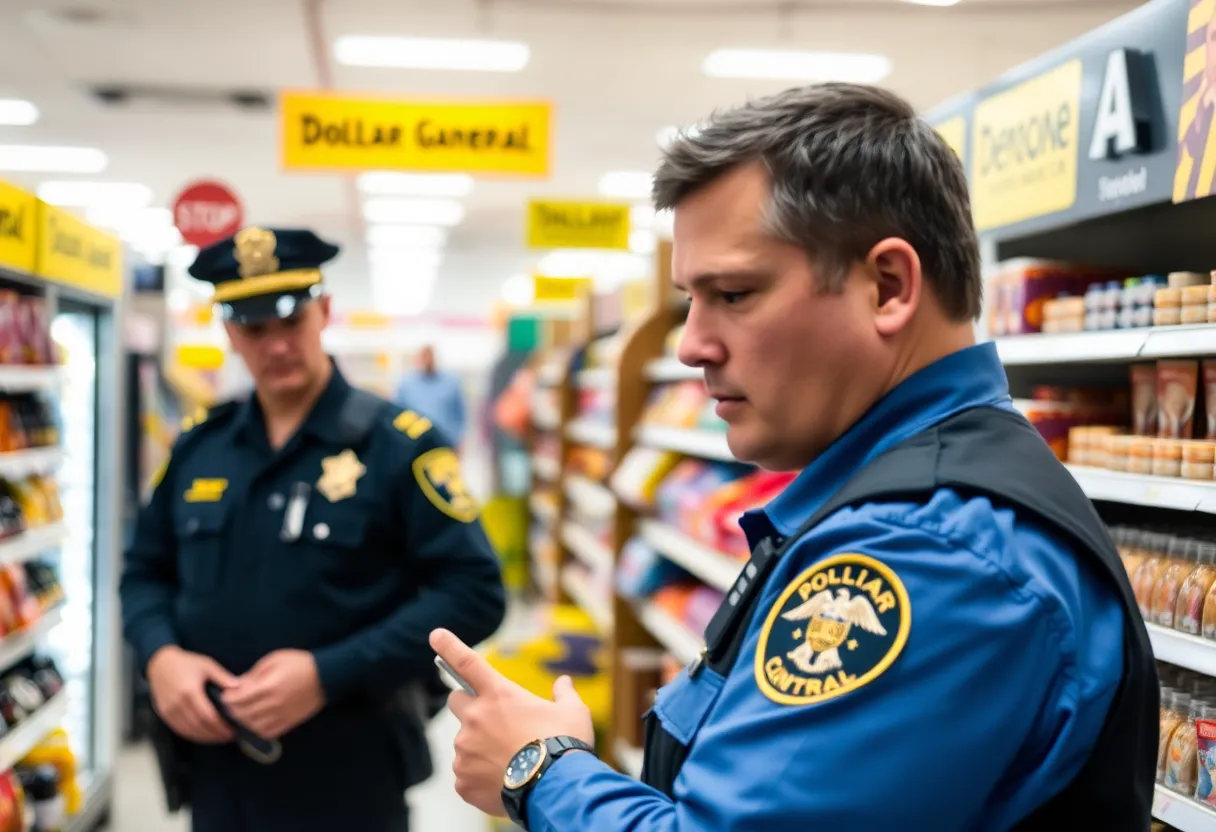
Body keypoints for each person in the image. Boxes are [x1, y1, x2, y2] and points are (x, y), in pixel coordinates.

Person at [430, 83, 1158, 830]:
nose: (689, 345)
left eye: (735, 294)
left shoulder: (926, 553)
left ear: (888, 287)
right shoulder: (912, 499)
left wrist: (542, 773)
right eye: (689, 299)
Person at [120, 226, 507, 832]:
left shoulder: (398, 446)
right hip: (216, 771)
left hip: (349, 771)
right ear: (229, 334)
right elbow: (143, 571)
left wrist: (330, 672)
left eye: (291, 322)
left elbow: (474, 592)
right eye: (254, 329)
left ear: (324, 312)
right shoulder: (200, 446)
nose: (275, 346)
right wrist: (160, 656)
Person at [393, 345, 468, 449]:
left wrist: (458, 440)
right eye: (424, 357)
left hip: (445, 443)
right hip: (414, 443)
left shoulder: (451, 383)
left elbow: (460, 415)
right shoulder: (406, 384)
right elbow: (398, 414)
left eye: (430, 357)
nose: (427, 361)